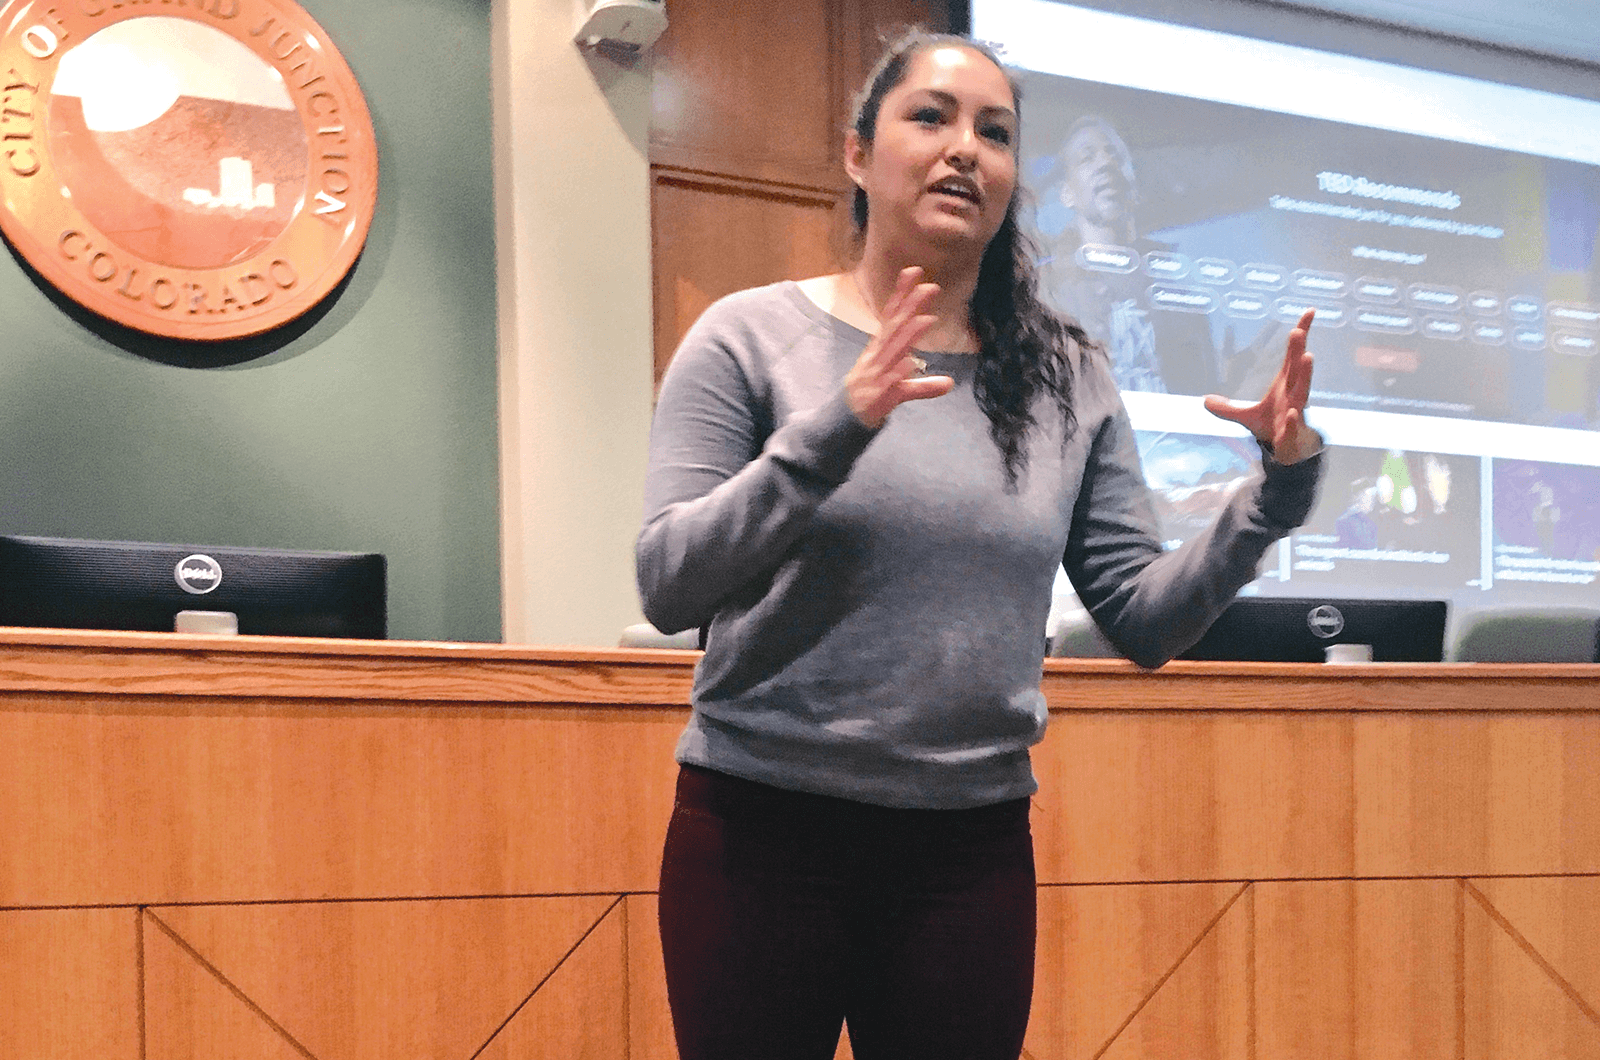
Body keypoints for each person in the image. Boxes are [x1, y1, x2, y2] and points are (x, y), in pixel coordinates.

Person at [636, 30, 1323, 1060]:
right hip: (760, 838)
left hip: (966, 852)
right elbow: (666, 579)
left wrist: (1270, 495)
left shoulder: (1068, 376)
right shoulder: (745, 337)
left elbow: (1140, 617)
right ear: (857, 155)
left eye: (993, 133)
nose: (965, 148)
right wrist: (833, 429)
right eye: (931, 117)